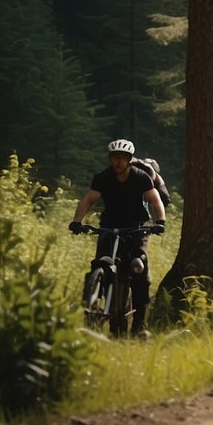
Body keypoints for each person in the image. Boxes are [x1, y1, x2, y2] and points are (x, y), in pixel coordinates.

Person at [69, 138, 166, 336]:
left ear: (129, 160)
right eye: (114, 158)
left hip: (135, 229)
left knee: (139, 269)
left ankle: (139, 324)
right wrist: (76, 221)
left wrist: (160, 222)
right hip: (108, 227)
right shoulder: (103, 177)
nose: (118, 162)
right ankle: (94, 300)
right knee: (99, 265)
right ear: (110, 159)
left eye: (122, 158)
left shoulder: (140, 177)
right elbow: (89, 199)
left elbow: (155, 199)